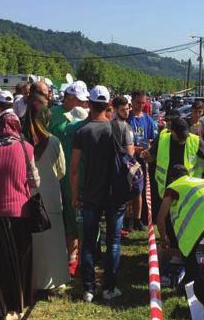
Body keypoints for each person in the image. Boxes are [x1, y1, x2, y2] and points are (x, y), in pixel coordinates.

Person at [71, 85, 134, 302]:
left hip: (90, 193)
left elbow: (75, 169)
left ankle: (88, 288)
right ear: (108, 105)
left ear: (89, 103)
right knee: (114, 241)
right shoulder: (121, 128)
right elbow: (130, 160)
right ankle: (109, 287)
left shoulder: (82, 131)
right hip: (115, 192)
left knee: (88, 242)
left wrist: (74, 194)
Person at [0, 113, 39, 320]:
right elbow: (35, 181)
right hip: (18, 211)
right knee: (16, 260)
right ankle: (13, 306)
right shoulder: (26, 148)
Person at [156, 165, 204, 281]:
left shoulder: (174, 186)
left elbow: (161, 216)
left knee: (188, 253)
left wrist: (163, 237)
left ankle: (190, 283)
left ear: (172, 178)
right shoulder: (203, 181)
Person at [48, 81, 89, 271]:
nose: (82, 104)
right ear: (69, 97)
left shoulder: (84, 115)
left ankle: (84, 256)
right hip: (59, 174)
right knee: (67, 216)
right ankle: (70, 255)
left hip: (80, 173)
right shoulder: (54, 114)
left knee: (81, 215)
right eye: (79, 100)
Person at [30, 106, 68, 290]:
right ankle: (56, 278)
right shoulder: (54, 142)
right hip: (51, 192)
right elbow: (62, 170)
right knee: (54, 238)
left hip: (30, 194)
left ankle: (34, 280)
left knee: (35, 239)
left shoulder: (25, 142)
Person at [144, 117, 204, 200]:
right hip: (166, 186)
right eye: (180, 136)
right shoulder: (163, 138)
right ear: (172, 131)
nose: (183, 139)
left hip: (188, 187)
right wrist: (147, 156)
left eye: (185, 136)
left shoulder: (195, 140)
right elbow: (152, 156)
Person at [126, 90, 158, 230]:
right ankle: (127, 219)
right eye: (138, 102)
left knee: (140, 189)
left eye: (143, 103)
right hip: (128, 159)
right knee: (127, 189)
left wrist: (147, 148)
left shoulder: (148, 120)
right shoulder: (127, 119)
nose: (140, 105)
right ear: (132, 102)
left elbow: (152, 139)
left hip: (141, 160)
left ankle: (138, 219)